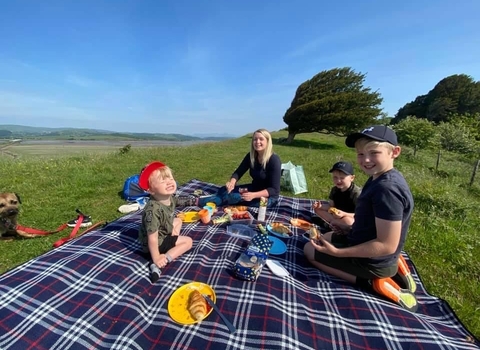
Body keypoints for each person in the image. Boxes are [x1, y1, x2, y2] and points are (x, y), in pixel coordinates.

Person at [304, 125, 418, 312]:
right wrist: (348, 229)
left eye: (374, 153)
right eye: (360, 154)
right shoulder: (379, 176)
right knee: (321, 238)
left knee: (309, 251)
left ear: (394, 152)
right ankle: (392, 267)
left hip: (372, 261)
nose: (365, 160)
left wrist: (337, 253)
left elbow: (386, 245)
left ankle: (370, 282)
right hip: (361, 239)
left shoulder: (387, 189)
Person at [137, 161, 194, 280]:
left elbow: (180, 201)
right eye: (162, 181)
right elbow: (152, 238)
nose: (169, 182)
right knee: (188, 242)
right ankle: (165, 258)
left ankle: (171, 240)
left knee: (178, 220)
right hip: (155, 244)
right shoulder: (153, 210)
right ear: (151, 190)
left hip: (163, 232)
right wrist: (157, 257)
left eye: (170, 178)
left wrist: (199, 202)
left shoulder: (169, 198)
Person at [199, 128, 281, 208]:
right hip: (254, 188)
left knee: (232, 197)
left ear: (267, 141)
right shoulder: (251, 156)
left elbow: (273, 190)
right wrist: (232, 182)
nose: (257, 142)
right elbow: (239, 172)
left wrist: (253, 195)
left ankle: (197, 201)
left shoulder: (274, 160)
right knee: (225, 189)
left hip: (269, 199)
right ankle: (214, 199)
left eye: (261, 139)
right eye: (255, 139)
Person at [312, 161, 361, 229]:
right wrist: (320, 206)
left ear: (352, 178)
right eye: (335, 177)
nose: (338, 181)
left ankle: (331, 224)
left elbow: (360, 214)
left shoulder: (356, 193)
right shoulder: (335, 190)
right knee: (317, 210)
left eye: (342, 178)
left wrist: (343, 214)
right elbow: (331, 206)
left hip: (350, 217)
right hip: (335, 216)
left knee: (349, 222)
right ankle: (334, 224)